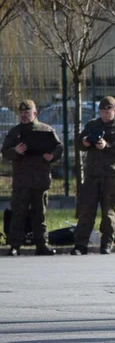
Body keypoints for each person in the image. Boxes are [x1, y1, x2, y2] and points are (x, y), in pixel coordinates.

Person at [3, 100, 62, 256]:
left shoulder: (46, 130)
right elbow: (5, 152)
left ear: (34, 114)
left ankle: (42, 245)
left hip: (40, 180)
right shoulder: (15, 132)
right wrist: (15, 150)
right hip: (21, 181)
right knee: (18, 214)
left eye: (27, 113)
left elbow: (59, 147)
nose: (24, 115)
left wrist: (52, 156)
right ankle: (14, 246)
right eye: (21, 113)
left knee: (39, 215)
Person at [72, 97, 115, 255]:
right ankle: (81, 244)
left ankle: (106, 243)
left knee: (109, 211)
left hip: (112, 175)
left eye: (108, 112)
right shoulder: (92, 125)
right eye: (102, 112)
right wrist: (84, 142)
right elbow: (78, 143)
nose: (105, 115)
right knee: (86, 210)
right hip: (92, 175)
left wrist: (107, 146)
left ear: (114, 111)